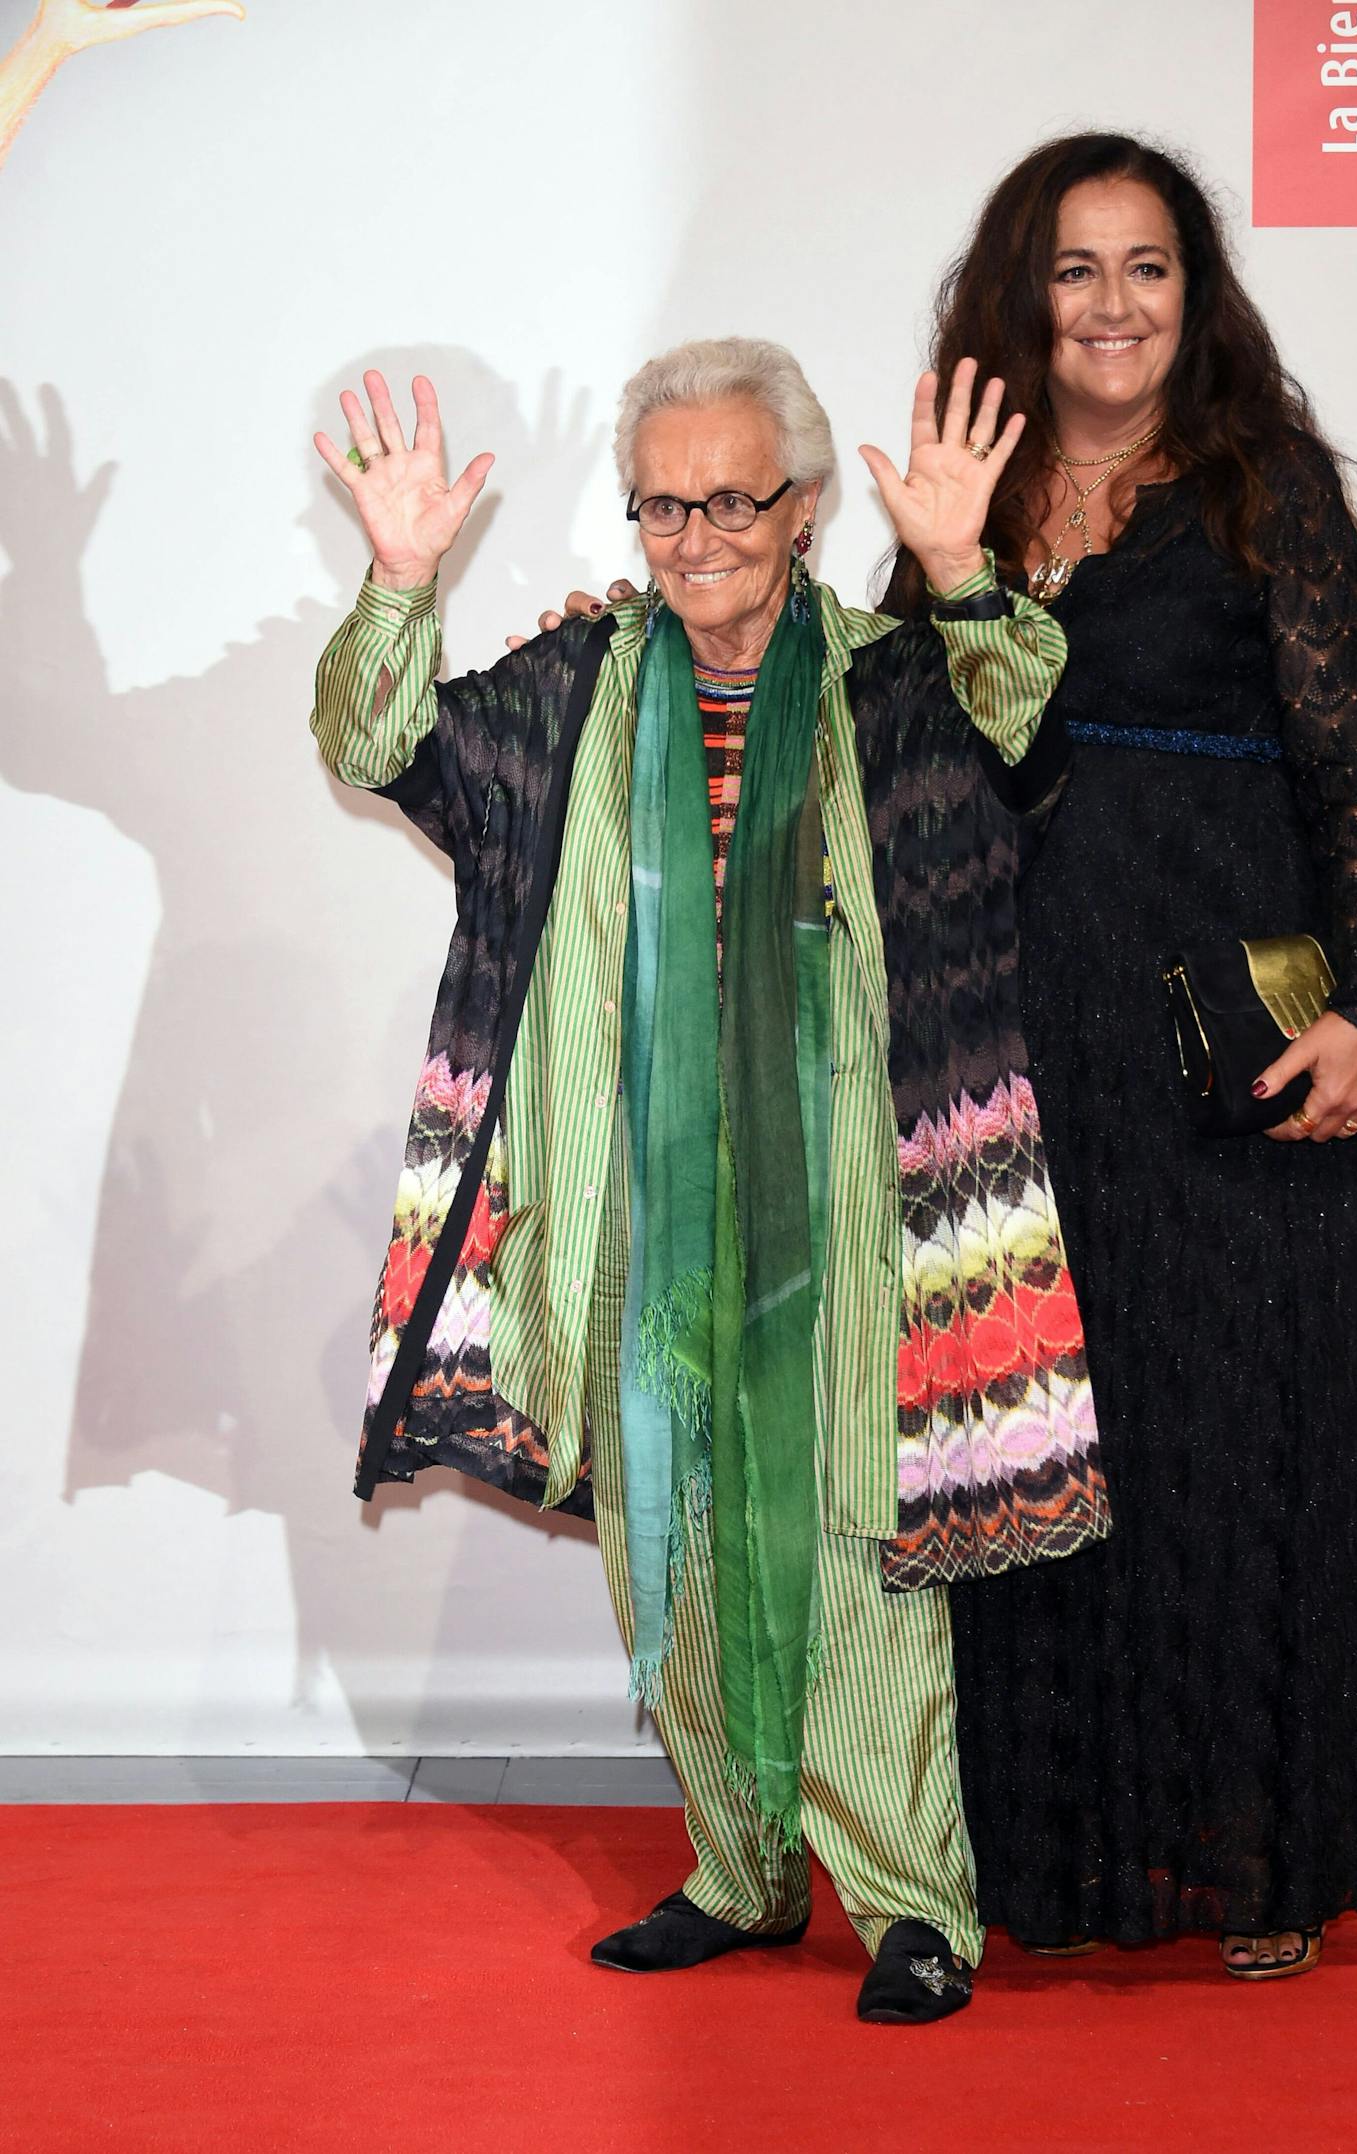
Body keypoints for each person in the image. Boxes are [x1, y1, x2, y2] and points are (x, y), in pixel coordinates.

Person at [309, 338, 1107, 2023]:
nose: (690, 537)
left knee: (854, 1535)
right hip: (633, 1194)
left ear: (803, 507)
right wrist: (398, 585)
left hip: (855, 1186)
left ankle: (910, 1903)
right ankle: (739, 1871)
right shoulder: (576, 685)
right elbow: (383, 743)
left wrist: (964, 572)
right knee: (663, 1532)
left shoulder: (896, 678)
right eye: (660, 503)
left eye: (727, 499)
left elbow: (1026, 727)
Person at [884, 133, 1357, 1978]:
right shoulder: (963, 496)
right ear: (1018, 297)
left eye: (1149, 269)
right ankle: (1045, 1852)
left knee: (1234, 1437)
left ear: (1196, 298)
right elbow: (897, 756)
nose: (1113, 306)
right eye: (1075, 270)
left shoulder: (1265, 488)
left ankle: (1255, 1853)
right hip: (1018, 1038)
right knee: (1036, 1440)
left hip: (1228, 1040)